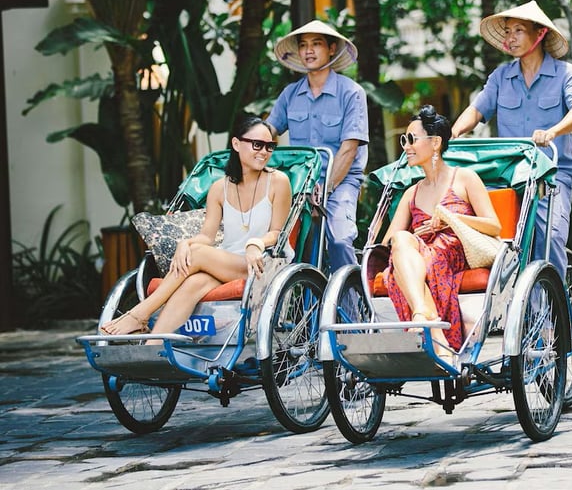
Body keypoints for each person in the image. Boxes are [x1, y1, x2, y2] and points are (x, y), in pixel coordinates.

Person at [101, 116, 293, 339]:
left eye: (270, 146)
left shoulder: (279, 181)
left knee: (198, 254)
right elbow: (207, 237)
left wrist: (255, 243)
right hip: (227, 264)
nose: (264, 152)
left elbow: (277, 233)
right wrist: (186, 244)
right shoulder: (219, 188)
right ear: (236, 144)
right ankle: (153, 347)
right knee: (192, 283)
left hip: (263, 264)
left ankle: (139, 315)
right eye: (257, 145)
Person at [451, 0, 572, 281]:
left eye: (518, 30)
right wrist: (453, 134)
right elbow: (477, 110)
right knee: (497, 239)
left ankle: (554, 318)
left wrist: (553, 132)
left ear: (539, 34)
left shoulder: (566, 74)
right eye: (507, 31)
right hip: (510, 176)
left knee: (549, 238)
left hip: (552, 176)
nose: (510, 37)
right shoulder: (501, 77)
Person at [382, 106, 501, 358]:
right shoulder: (411, 193)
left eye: (412, 139)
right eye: (404, 140)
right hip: (420, 256)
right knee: (401, 240)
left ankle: (425, 323)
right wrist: (414, 238)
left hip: (455, 253)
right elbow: (389, 241)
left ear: (435, 143)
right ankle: (425, 318)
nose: (406, 146)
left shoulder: (464, 178)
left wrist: (451, 219)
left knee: (406, 261)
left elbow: (494, 226)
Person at [267, 20, 368, 272]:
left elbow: (348, 150)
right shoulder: (290, 94)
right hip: (299, 184)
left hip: (340, 181)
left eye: (316, 44)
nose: (308, 51)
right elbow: (268, 132)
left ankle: (353, 304)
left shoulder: (351, 93)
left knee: (339, 238)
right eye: (303, 45)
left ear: (332, 49)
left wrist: (326, 189)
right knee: (283, 244)